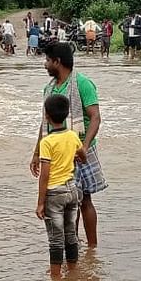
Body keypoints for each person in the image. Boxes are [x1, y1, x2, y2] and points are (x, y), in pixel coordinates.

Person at [31, 43, 107, 247]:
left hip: (81, 150)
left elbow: (95, 118)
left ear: (58, 62)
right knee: (68, 204)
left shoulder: (82, 84)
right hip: (57, 153)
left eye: (48, 60)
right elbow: (44, 122)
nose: (45, 64)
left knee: (85, 200)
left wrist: (84, 146)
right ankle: (73, 245)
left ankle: (92, 248)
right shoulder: (49, 88)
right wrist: (36, 153)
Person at [36, 93, 86, 277]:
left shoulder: (47, 142)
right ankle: (73, 271)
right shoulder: (72, 136)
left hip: (54, 194)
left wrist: (40, 202)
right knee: (71, 233)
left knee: (56, 239)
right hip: (72, 189)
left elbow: (45, 174)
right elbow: (83, 156)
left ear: (47, 116)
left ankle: (55, 278)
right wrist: (76, 158)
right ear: (66, 115)